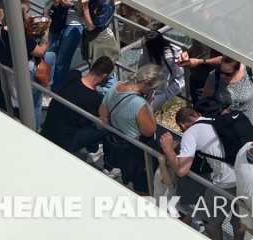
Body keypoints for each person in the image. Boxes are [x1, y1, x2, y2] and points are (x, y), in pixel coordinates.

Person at [161, 106, 242, 240]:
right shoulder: (216, 119)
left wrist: (168, 148)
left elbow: (181, 170)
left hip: (227, 182)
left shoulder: (190, 132)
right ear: (198, 114)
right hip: (246, 173)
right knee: (240, 219)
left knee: (209, 221)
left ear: (182, 125)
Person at [99, 64, 166, 195]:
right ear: (146, 83)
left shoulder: (117, 86)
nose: (153, 91)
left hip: (116, 141)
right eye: (154, 88)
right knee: (143, 185)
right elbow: (150, 130)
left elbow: (102, 112)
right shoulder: (140, 104)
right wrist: (150, 108)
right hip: (135, 151)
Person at [41, 56, 114, 156]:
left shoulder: (73, 75)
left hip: (47, 128)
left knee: (87, 117)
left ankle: (94, 148)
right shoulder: (93, 98)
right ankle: (97, 154)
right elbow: (100, 126)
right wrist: (105, 119)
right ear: (104, 76)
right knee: (107, 129)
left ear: (91, 67)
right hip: (65, 141)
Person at [0, 1, 48, 128]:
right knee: (35, 105)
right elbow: (41, 52)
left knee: (19, 101)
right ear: (21, 16)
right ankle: (36, 129)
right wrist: (46, 33)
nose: (29, 15)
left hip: (9, 72)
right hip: (27, 72)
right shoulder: (24, 38)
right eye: (27, 12)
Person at [202, 56, 253, 124]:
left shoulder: (249, 70)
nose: (224, 75)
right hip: (224, 124)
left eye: (228, 73)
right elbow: (205, 101)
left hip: (247, 124)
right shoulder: (214, 76)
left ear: (238, 68)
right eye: (221, 71)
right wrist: (221, 110)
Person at [49, 0, 85, 91]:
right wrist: (55, 5)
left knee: (61, 60)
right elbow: (55, 2)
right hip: (60, 25)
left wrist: (71, 6)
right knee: (51, 56)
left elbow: (84, 13)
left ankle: (57, 88)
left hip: (74, 26)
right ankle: (50, 84)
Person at [138, 31, 187, 111]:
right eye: (141, 43)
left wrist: (147, 91)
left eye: (144, 45)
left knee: (146, 108)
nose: (141, 46)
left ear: (152, 47)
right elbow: (141, 67)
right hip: (154, 83)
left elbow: (163, 84)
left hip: (172, 85)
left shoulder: (168, 58)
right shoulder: (148, 51)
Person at [78, 0, 119, 73]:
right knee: (92, 64)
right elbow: (80, 14)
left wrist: (85, 7)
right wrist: (80, 2)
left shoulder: (106, 3)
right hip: (90, 36)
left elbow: (91, 27)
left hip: (100, 39)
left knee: (101, 69)